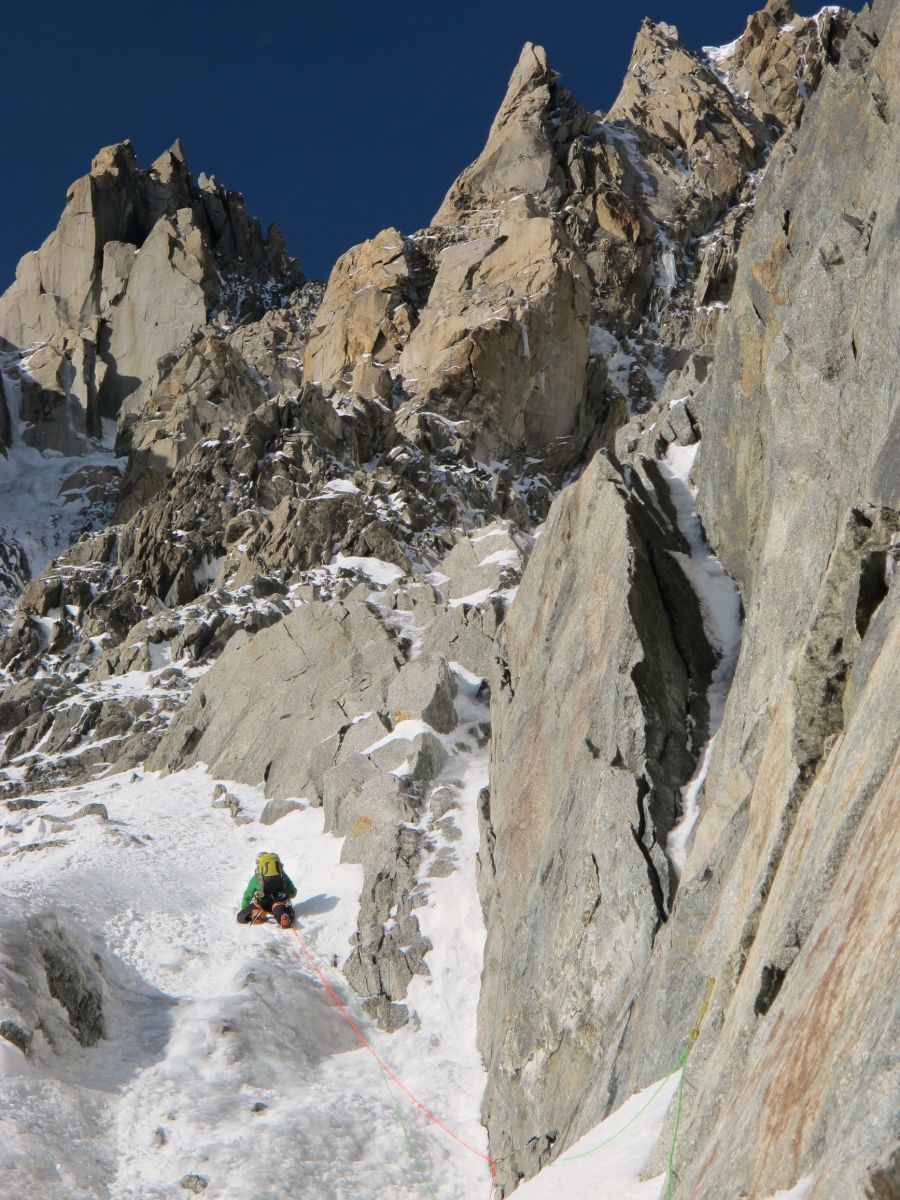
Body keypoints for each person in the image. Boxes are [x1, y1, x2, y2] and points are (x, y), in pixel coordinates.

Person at [236, 851, 298, 928]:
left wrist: (244, 908)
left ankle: (255, 913)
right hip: (279, 900)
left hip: (263, 902)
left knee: (240, 917)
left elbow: (248, 895)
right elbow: (293, 892)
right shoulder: (283, 876)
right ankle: (283, 916)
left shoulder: (256, 878)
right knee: (280, 911)